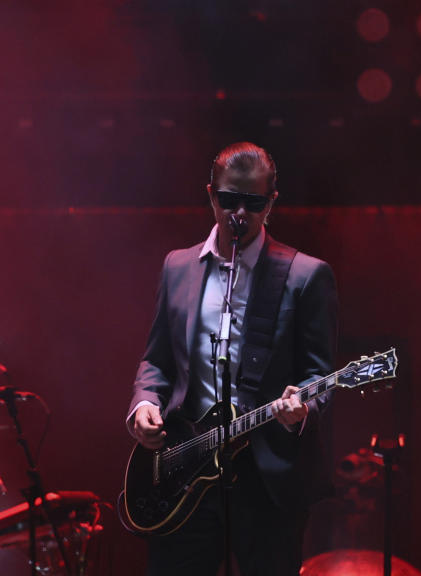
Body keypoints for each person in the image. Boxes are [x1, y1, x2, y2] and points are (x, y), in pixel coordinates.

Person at [127, 142, 338, 576]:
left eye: (253, 203)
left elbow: (319, 375)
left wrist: (301, 410)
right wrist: (145, 401)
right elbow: (157, 359)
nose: (239, 213)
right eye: (228, 200)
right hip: (186, 469)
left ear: (271, 203)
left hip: (267, 480)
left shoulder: (305, 275)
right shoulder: (178, 266)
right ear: (211, 195)